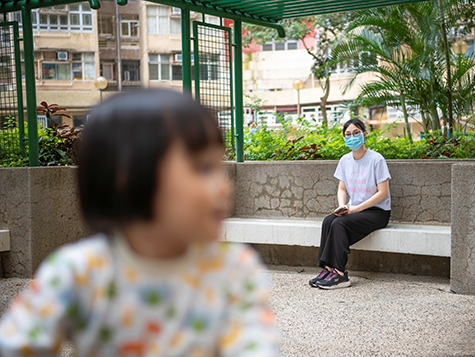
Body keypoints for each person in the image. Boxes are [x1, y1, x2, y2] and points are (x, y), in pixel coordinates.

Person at [0, 89, 278, 356]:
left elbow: (254, 345)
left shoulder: (234, 270)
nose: (224, 186)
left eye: (220, 166)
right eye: (203, 168)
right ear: (129, 179)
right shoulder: (79, 272)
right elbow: (15, 344)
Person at [309, 118, 391, 290]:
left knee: (339, 224)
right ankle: (328, 268)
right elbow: (342, 188)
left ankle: (340, 274)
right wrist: (343, 206)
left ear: (364, 134)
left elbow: (383, 192)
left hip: (377, 212)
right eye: (348, 134)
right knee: (329, 221)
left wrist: (357, 208)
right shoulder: (345, 160)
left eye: (356, 133)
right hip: (355, 209)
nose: (352, 137)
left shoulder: (376, 159)